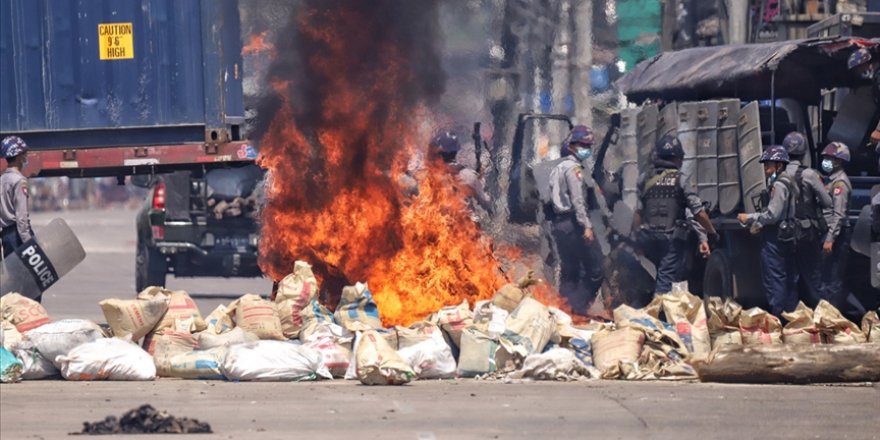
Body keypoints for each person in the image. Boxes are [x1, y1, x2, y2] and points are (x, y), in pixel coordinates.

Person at [635, 134, 716, 295]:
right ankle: (661, 316)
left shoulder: (644, 178)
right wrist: (711, 232)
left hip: (648, 237)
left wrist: (636, 239)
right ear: (678, 158)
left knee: (660, 275)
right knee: (667, 279)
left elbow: (638, 212)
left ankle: (661, 309)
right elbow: (698, 213)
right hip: (671, 239)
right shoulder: (682, 180)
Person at [737, 145, 799, 318]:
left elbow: (772, 214)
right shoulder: (789, 181)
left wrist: (748, 218)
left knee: (775, 279)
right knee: (788, 279)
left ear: (779, 165)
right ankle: (791, 318)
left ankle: (778, 318)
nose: (765, 169)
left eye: (768, 165)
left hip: (775, 237)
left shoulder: (779, 184)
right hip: (787, 234)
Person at [548, 125, 603, 314]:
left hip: (558, 224)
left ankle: (563, 311)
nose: (586, 148)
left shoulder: (557, 168)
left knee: (568, 271)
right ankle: (577, 310)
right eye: (583, 145)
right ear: (571, 146)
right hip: (573, 224)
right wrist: (586, 226)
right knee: (595, 270)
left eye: (588, 145)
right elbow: (578, 200)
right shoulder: (574, 169)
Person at [781, 131, 832, 306]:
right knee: (814, 277)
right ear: (804, 152)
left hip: (784, 232)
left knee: (789, 277)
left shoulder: (778, 174)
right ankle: (824, 317)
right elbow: (827, 202)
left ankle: (792, 320)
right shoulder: (810, 174)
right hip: (806, 232)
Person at [818, 142, 853, 310]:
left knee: (833, 279)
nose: (825, 161)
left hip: (837, 235)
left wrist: (830, 239)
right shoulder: (831, 181)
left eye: (828, 158)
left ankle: (831, 317)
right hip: (832, 233)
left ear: (838, 161)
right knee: (826, 278)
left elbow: (838, 215)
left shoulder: (840, 184)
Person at [429, 131, 492, 219]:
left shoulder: (429, 177)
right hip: (464, 226)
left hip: (437, 225)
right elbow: (486, 203)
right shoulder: (468, 175)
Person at [1, 136, 34, 259]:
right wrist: (30, 244)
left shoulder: (2, 179)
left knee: (13, 275)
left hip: (5, 236)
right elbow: (21, 218)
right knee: (28, 276)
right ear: (19, 156)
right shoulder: (19, 181)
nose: (26, 157)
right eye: (24, 154)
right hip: (18, 236)